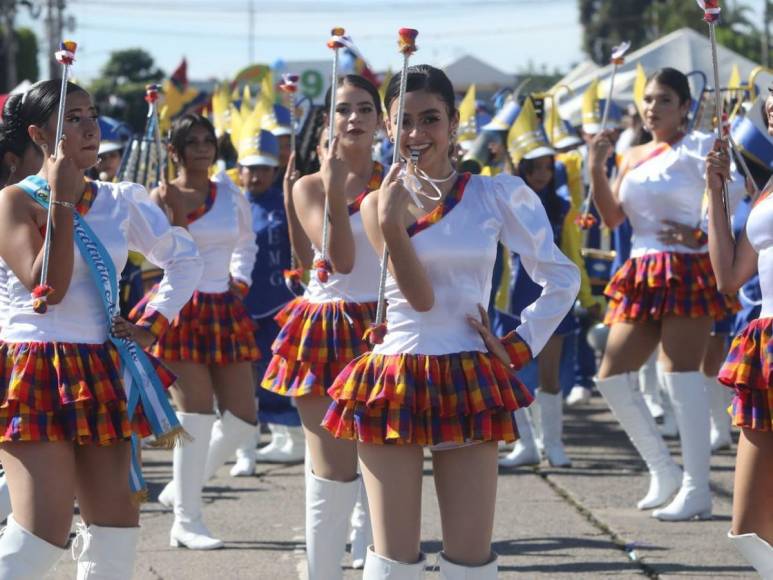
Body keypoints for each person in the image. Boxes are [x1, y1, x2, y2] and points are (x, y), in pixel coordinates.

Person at [323, 64, 579, 578]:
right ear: (389, 128)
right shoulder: (377, 203)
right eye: (406, 121)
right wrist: (393, 222)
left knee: (468, 556)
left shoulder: (493, 193)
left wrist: (520, 343)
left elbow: (561, 277)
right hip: (393, 375)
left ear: (454, 122)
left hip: (467, 373)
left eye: (431, 119)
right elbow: (417, 298)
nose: (418, 134)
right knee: (393, 557)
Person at [0, 79, 202, 579]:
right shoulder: (13, 203)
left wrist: (153, 323)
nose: (89, 127)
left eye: (92, 114)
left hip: (99, 368)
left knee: (116, 529)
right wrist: (61, 200)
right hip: (35, 368)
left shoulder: (120, 200)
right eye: (72, 117)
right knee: (41, 534)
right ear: (39, 134)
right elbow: (50, 286)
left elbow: (184, 258)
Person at [588, 67, 743, 521]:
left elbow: (737, 196)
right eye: (648, 99)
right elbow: (613, 216)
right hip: (642, 268)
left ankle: (698, 487)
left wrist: (699, 231)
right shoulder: (630, 153)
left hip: (685, 268)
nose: (653, 108)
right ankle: (664, 471)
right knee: (611, 374)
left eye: (664, 100)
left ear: (684, 107)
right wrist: (596, 165)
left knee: (680, 375)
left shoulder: (702, 146)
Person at [260, 74, 384, 578]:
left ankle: (376, 559)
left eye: (364, 109)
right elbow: (341, 259)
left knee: (384, 462)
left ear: (383, 121)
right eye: (342, 109)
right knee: (331, 469)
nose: (352, 118)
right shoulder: (309, 186)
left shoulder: (402, 182)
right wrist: (334, 189)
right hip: (329, 326)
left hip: (388, 325)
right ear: (328, 121)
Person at [140, 113, 259, 550]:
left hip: (223, 305)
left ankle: (180, 489)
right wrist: (172, 212)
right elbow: (157, 256)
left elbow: (247, 242)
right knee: (195, 414)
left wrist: (240, 281)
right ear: (175, 150)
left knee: (244, 419)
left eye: (208, 140)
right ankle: (186, 521)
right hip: (179, 308)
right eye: (193, 142)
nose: (204, 148)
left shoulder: (231, 194)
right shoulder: (160, 195)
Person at [498, 97, 597, 469]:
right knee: (510, 373)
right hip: (512, 298)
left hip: (552, 297)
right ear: (519, 164)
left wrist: (585, 294)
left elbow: (573, 252)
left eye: (547, 166)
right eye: (534, 166)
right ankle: (525, 443)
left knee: (550, 375)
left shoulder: (559, 205)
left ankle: (553, 443)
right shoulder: (501, 198)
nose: (541, 173)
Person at [707, 91, 773, 576]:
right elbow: (729, 278)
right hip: (766, 347)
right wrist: (717, 193)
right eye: (770, 111)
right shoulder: (767, 190)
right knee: (749, 528)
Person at [232, 127, 305, 474]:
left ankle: (288, 437)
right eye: (251, 167)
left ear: (275, 170)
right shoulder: (227, 203)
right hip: (238, 307)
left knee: (279, 373)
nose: (257, 174)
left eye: (264, 167)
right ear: (239, 169)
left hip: (280, 306)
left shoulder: (287, 202)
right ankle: (245, 448)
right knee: (243, 379)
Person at [0, 92, 47, 524]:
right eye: (42, 152)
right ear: (16, 158)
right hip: (16, 348)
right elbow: (40, 283)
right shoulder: (12, 203)